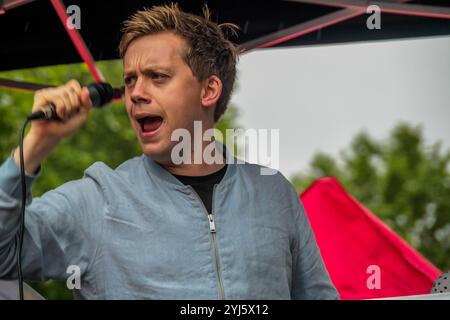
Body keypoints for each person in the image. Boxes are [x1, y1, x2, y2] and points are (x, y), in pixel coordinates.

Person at [0, 4, 338, 300]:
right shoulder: (99, 199)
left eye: (157, 77)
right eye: (130, 80)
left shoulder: (273, 193)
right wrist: (35, 146)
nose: (135, 93)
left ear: (209, 90)